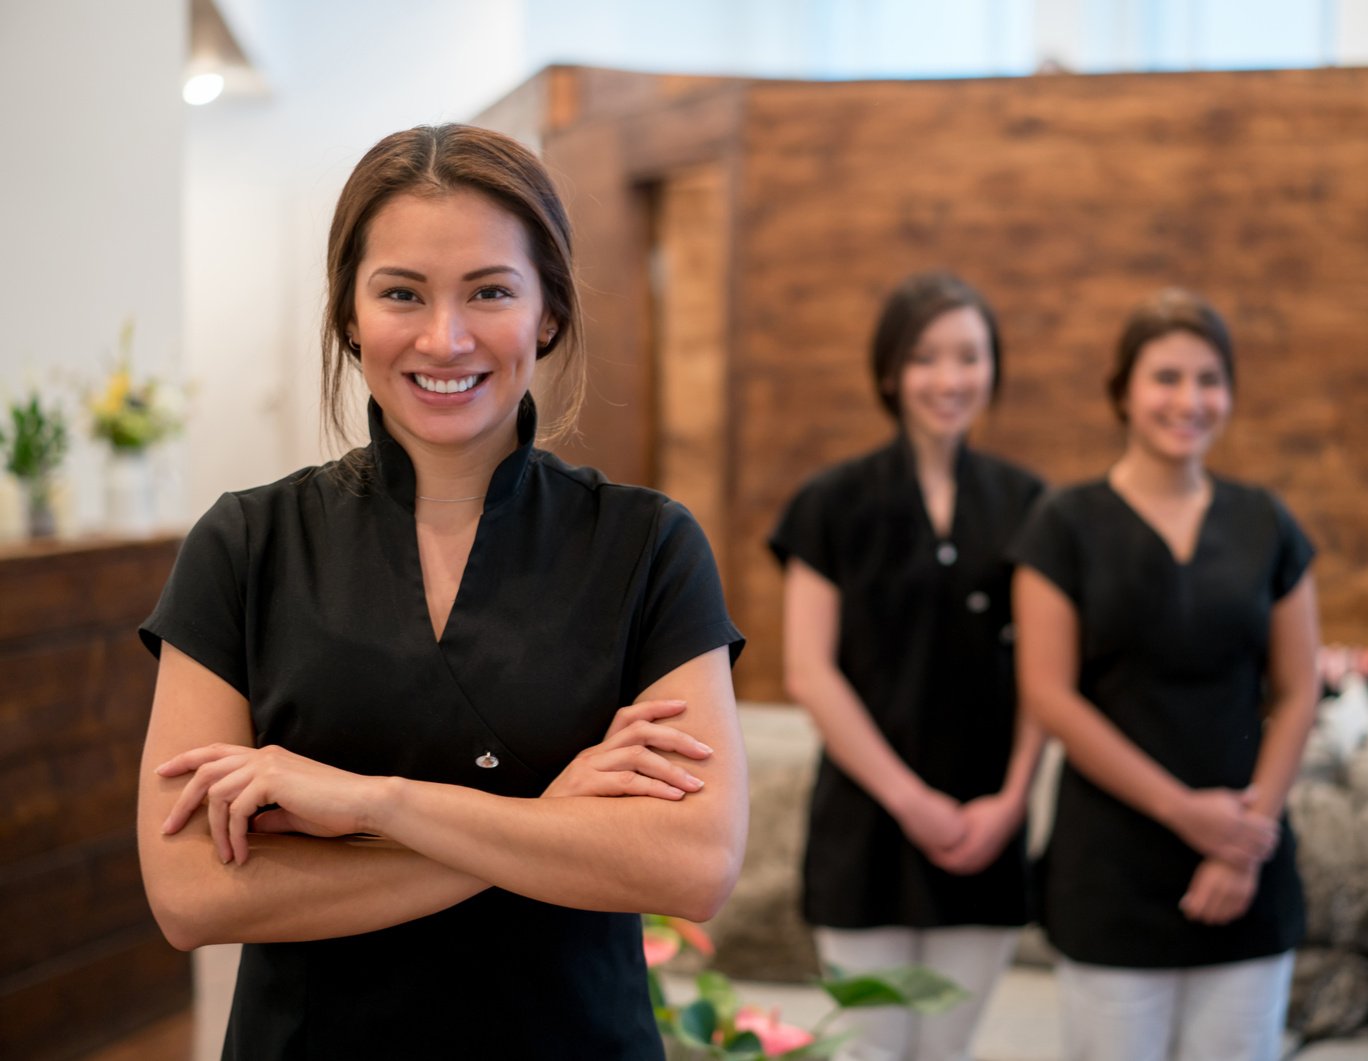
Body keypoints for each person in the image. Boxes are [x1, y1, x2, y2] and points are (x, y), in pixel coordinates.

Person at [135, 124, 747, 1060]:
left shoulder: (647, 546)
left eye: (490, 291)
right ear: (348, 313)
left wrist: (371, 805)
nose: (444, 337)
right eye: (401, 293)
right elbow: (190, 893)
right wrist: (549, 828)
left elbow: (693, 863)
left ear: (547, 313)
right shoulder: (246, 543)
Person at [1009, 288, 1320, 1061]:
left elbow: (1299, 685)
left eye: (1208, 379)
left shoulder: (1266, 521)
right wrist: (1185, 812)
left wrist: (1240, 842)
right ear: (1121, 391)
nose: (1189, 399)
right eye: (1166, 377)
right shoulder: (1063, 523)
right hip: (1111, 874)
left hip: (1247, 871)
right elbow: (1049, 694)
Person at [769, 272, 1046, 1061]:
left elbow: (1045, 676)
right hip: (866, 829)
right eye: (926, 358)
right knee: (870, 1052)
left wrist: (1011, 800)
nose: (950, 378)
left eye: (969, 356)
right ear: (889, 371)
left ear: (993, 367)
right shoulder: (829, 503)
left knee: (947, 1051)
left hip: (987, 827)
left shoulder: (1030, 505)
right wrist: (911, 799)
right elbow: (808, 673)